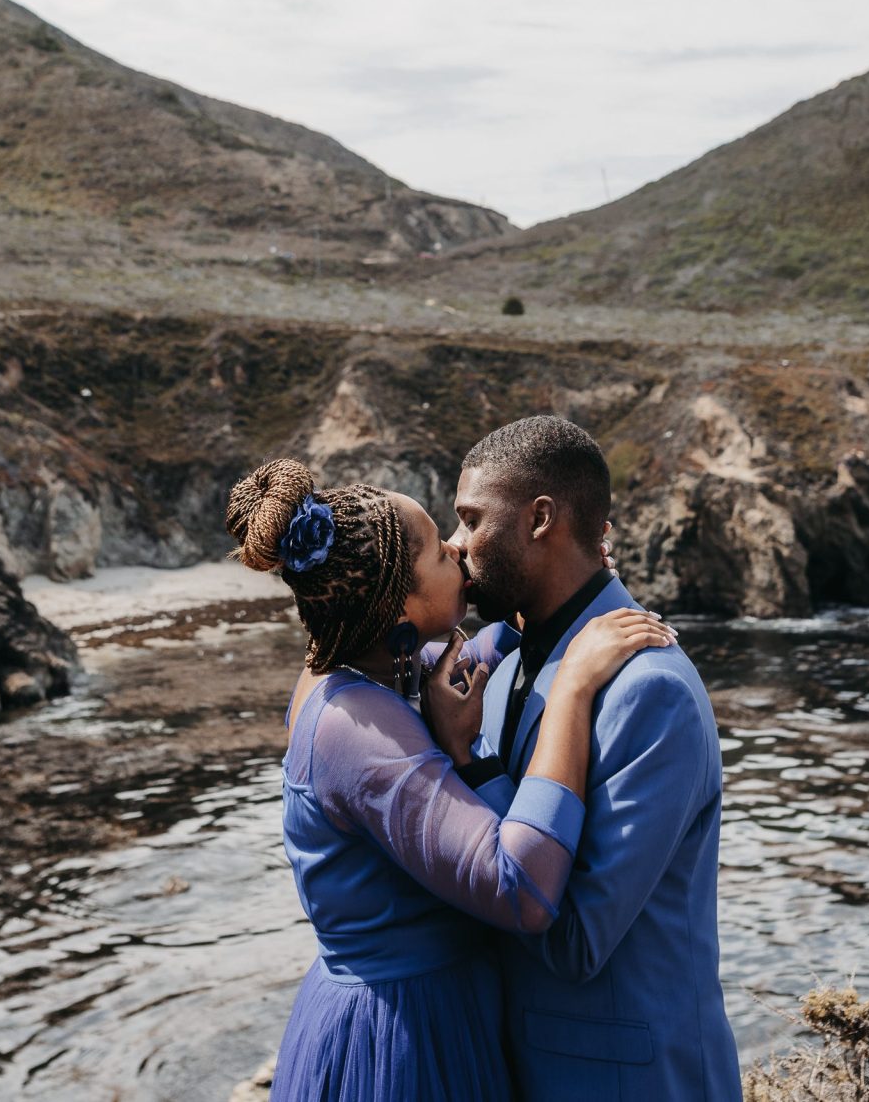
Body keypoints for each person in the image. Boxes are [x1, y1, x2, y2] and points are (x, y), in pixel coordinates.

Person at [230, 458, 674, 1102]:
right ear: (400, 602)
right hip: (400, 1044)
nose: (460, 553)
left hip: (426, 1010)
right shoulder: (356, 729)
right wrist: (574, 688)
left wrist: (567, 587)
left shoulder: (372, 667)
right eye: (441, 552)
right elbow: (519, 889)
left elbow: (481, 646)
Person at [450, 415, 739, 1101]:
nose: (455, 543)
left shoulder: (649, 692)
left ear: (540, 519)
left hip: (624, 1081)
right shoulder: (502, 658)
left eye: (470, 519)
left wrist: (476, 769)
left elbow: (576, 938)